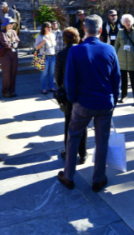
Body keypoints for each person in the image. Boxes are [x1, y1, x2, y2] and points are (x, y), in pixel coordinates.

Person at [58, 15, 120, 193]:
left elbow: (70, 80)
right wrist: (113, 100)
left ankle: (69, 176)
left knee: (73, 139)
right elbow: (116, 78)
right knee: (102, 142)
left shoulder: (76, 51)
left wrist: (74, 99)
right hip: (104, 102)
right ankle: (98, 179)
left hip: (83, 103)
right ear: (100, 30)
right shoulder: (109, 49)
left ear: (85, 29)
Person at [54, 27, 86, 164]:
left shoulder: (62, 54)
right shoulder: (83, 51)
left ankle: (69, 152)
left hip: (68, 93)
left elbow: (58, 77)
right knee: (82, 124)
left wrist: (61, 87)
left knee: (69, 124)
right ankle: (83, 153)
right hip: (82, 92)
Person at [113, 14, 134, 106]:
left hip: (133, 59)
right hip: (121, 59)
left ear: (132, 22)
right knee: (123, 80)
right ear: (123, 22)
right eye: (126, 21)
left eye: (129, 21)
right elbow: (116, 45)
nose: (127, 23)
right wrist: (115, 56)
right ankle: (123, 96)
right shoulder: (120, 32)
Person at [0, 17, 20, 98]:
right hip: (5, 54)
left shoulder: (14, 32)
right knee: (7, 73)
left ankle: (12, 91)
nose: (12, 24)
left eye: (13, 23)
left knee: (13, 72)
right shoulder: (2, 33)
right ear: (6, 24)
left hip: (14, 53)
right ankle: (5, 91)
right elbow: (6, 44)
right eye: (10, 23)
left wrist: (14, 44)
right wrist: (14, 44)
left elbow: (18, 41)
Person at [35, 22, 57, 94]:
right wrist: (43, 42)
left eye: (50, 27)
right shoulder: (40, 36)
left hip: (53, 56)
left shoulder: (53, 35)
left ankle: (51, 87)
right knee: (44, 74)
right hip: (44, 56)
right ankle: (43, 88)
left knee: (52, 73)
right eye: (48, 27)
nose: (50, 28)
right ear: (44, 28)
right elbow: (36, 47)